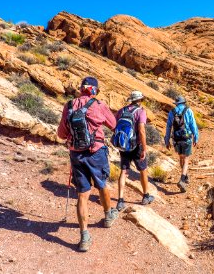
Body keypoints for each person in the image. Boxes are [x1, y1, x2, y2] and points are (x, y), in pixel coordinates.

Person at [57, 76, 118, 252]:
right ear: (94, 90)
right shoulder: (99, 105)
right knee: (101, 184)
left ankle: (84, 236)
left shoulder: (68, 105)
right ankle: (108, 215)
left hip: (76, 154)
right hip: (96, 152)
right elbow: (113, 125)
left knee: (83, 194)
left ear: (81, 88)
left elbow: (61, 134)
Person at [115, 90, 154, 211]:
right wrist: (144, 148)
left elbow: (115, 125)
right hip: (136, 145)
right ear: (140, 100)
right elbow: (141, 130)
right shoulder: (141, 111)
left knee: (124, 171)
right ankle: (146, 196)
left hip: (124, 145)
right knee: (143, 170)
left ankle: (120, 200)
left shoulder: (122, 110)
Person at [164, 96, 199, 193]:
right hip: (186, 138)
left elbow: (168, 127)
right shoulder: (188, 111)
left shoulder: (172, 112)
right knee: (186, 159)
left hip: (176, 139)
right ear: (184, 102)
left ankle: (185, 176)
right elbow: (193, 125)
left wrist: (167, 140)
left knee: (181, 158)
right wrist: (196, 137)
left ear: (176, 103)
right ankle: (182, 179)